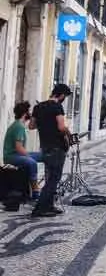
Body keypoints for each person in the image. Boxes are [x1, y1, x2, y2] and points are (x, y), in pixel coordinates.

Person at [28, 85, 72, 217]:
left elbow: (31, 126)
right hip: (57, 147)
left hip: (45, 146)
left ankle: (49, 206)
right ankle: (39, 209)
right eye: (65, 96)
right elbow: (61, 127)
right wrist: (68, 133)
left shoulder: (38, 107)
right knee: (54, 179)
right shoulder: (57, 106)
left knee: (49, 177)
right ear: (62, 95)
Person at [3, 102, 42, 197]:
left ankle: (45, 186)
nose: (30, 113)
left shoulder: (18, 125)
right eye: (29, 111)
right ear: (25, 113)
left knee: (43, 156)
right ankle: (36, 191)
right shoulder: (19, 126)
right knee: (32, 162)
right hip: (11, 156)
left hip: (17, 154)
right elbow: (19, 147)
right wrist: (28, 156)